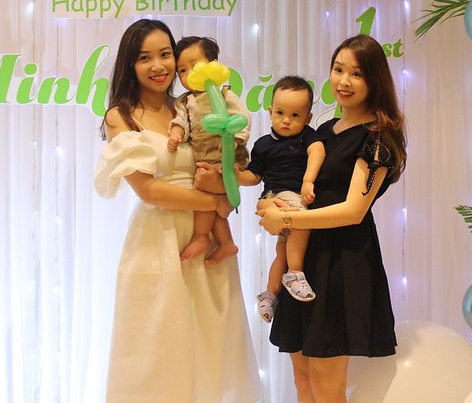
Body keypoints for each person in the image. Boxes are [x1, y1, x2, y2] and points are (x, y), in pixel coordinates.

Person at [94, 19, 261, 403]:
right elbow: (148, 190)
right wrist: (215, 203)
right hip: (158, 242)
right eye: (144, 57)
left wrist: (231, 188)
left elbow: (224, 160)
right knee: (157, 350)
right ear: (130, 64)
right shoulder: (121, 116)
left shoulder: (191, 105)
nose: (158, 66)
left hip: (209, 243)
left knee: (212, 347)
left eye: (165, 54)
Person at [255, 34, 408, 403]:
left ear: (374, 80)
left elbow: (354, 211)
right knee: (303, 377)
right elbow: (287, 181)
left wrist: (287, 221)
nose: (344, 81)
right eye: (338, 70)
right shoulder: (323, 131)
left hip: (342, 262)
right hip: (304, 260)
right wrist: (270, 206)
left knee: (326, 384)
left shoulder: (378, 138)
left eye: (356, 73)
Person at [236, 76, 326, 322]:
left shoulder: (307, 137)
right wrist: (235, 175)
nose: (286, 120)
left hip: (290, 195)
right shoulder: (263, 144)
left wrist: (308, 180)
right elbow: (254, 176)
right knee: (302, 222)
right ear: (270, 111)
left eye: (295, 115)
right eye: (280, 113)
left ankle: (269, 294)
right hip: (280, 196)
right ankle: (295, 274)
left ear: (307, 118)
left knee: (282, 253)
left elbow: (317, 151)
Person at [168, 36, 251, 264]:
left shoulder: (224, 93)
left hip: (228, 157)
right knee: (210, 200)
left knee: (206, 195)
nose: (189, 74)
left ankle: (201, 237)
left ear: (213, 65)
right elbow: (181, 121)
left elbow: (241, 116)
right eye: (182, 71)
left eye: (195, 66)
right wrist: (175, 133)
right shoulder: (184, 101)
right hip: (204, 157)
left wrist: (234, 140)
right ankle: (226, 243)